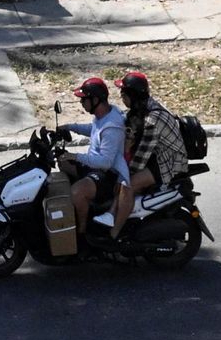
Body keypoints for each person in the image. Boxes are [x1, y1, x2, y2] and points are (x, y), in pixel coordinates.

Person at [61, 76, 127, 240]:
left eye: (84, 100)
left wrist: (76, 156)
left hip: (109, 174)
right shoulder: (104, 114)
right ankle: (85, 207)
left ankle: (82, 234)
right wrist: (70, 127)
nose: (81, 104)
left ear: (95, 99)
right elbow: (94, 129)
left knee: (77, 192)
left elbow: (105, 162)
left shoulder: (112, 127)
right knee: (62, 161)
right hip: (96, 166)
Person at [120, 67, 187, 213]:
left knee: (127, 185)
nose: (122, 99)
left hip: (168, 163)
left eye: (124, 95)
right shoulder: (144, 106)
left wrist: (124, 171)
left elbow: (139, 159)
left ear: (133, 96)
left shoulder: (152, 120)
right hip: (158, 155)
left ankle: (116, 230)